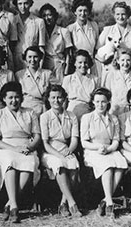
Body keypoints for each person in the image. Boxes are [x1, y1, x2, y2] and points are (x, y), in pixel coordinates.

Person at [0, 82, 41, 223]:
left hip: (26, 147)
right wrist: (14, 149)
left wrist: (30, 147)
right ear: (4, 99)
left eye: (17, 97)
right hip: (5, 148)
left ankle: (10, 203)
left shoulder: (30, 112)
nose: (14, 101)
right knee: (10, 162)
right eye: (10, 97)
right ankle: (14, 205)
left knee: (29, 162)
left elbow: (37, 136)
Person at [80, 88, 128, 219]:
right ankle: (110, 203)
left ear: (108, 103)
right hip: (93, 151)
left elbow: (116, 140)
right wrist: (97, 148)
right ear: (93, 102)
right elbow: (84, 142)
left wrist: (109, 149)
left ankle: (105, 200)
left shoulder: (113, 119)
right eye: (97, 101)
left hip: (109, 149)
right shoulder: (87, 118)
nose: (100, 105)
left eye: (103, 102)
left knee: (121, 164)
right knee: (108, 165)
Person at [39, 85, 82, 217]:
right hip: (50, 152)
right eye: (53, 97)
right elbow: (45, 143)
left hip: (66, 149)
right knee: (60, 166)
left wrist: (69, 151)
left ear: (64, 99)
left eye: (59, 97)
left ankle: (63, 203)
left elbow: (74, 138)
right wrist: (60, 155)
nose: (56, 100)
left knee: (74, 166)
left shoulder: (71, 116)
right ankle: (72, 203)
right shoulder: (44, 116)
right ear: (48, 99)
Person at [98, 1, 131, 70]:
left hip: (129, 71)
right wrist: (103, 60)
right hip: (110, 71)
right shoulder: (107, 30)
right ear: (114, 15)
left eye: (123, 14)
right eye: (118, 14)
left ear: (128, 15)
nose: (120, 17)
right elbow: (97, 51)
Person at [12, 0, 46, 71]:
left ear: (30, 4)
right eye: (20, 4)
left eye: (26, 3)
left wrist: (39, 67)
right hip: (16, 60)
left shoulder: (39, 22)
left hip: (33, 61)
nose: (23, 7)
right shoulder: (13, 20)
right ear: (16, 5)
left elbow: (41, 47)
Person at [39, 3, 73, 84]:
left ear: (55, 16)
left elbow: (68, 54)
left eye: (50, 15)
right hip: (45, 65)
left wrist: (66, 70)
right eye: (44, 16)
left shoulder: (64, 31)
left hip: (59, 65)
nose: (47, 18)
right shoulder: (40, 32)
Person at [101, 48, 131, 116]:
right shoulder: (111, 75)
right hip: (115, 111)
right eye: (122, 60)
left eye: (128, 60)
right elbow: (106, 95)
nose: (125, 63)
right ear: (117, 61)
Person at [67, 0, 101, 75]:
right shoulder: (70, 28)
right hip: (78, 66)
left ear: (89, 12)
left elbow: (97, 47)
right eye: (80, 10)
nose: (83, 13)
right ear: (75, 12)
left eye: (85, 11)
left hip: (93, 64)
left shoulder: (94, 25)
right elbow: (70, 53)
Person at [62, 50, 99, 120]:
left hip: (88, 113)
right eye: (80, 62)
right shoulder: (68, 79)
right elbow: (64, 101)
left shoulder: (94, 80)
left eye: (85, 63)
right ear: (74, 63)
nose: (83, 65)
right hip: (71, 113)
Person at [16, 46, 52, 115]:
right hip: (25, 108)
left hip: (42, 109)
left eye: (35, 57)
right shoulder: (19, 75)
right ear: (25, 58)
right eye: (29, 57)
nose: (32, 60)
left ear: (40, 58)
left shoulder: (47, 74)